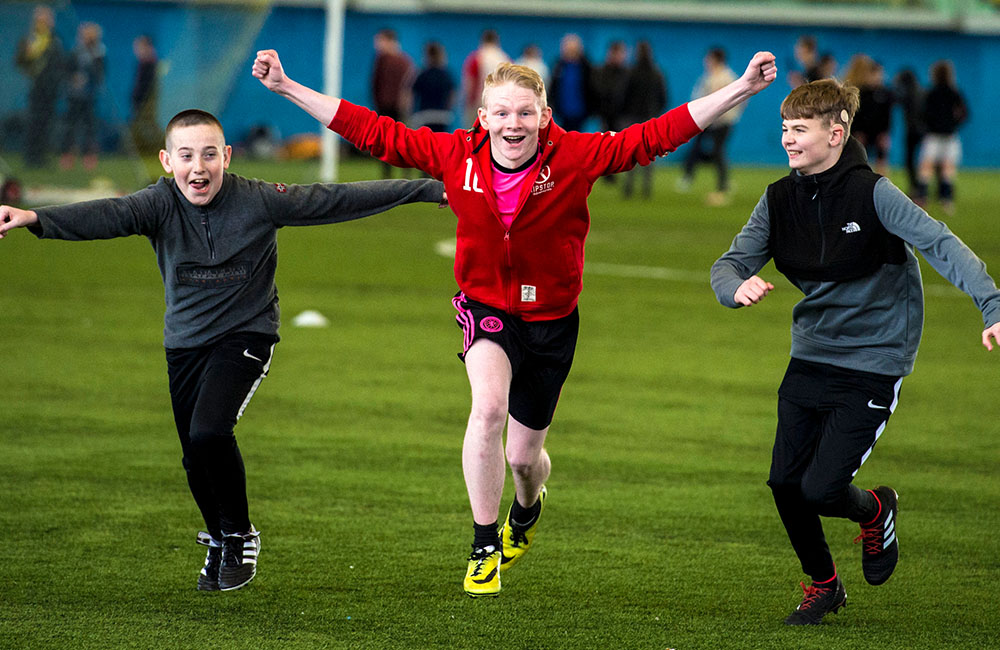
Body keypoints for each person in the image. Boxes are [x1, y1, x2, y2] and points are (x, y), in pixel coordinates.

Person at [253, 46, 778, 598]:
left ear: (544, 116)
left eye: (525, 112)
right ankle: (484, 546)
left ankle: (526, 510)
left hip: (553, 320)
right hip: (485, 307)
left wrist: (741, 88)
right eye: (501, 112)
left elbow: (657, 135)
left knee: (525, 459)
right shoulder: (456, 154)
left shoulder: (575, 156)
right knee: (488, 409)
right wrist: (287, 86)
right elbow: (372, 130)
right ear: (482, 117)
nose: (513, 123)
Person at [0, 109, 445, 593]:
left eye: (210, 154)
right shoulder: (158, 204)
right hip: (185, 345)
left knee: (210, 430)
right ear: (168, 161)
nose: (199, 167)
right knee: (194, 456)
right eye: (187, 156)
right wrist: (35, 218)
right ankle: (218, 536)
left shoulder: (258, 200)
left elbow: (335, 198)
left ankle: (239, 534)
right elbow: (107, 213)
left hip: (246, 336)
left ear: (226, 157)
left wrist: (424, 187)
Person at [710, 78, 1000, 626]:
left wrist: (993, 305)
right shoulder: (778, 198)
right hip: (812, 355)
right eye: (783, 130)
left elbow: (942, 243)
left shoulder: (875, 193)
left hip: (874, 361)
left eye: (800, 130)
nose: (788, 141)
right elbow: (728, 263)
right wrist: (735, 287)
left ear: (836, 134)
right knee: (784, 484)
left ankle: (875, 508)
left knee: (820, 488)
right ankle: (824, 585)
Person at [679, 46, 742, 206]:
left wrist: (728, 116)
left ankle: (722, 184)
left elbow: (734, 101)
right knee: (697, 147)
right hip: (707, 119)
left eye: (708, 58)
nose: (706, 61)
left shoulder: (726, 77)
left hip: (722, 121)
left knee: (718, 151)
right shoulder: (710, 76)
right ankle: (688, 176)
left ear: (715, 59)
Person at [915, 59, 968, 215]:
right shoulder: (954, 93)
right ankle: (946, 200)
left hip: (933, 135)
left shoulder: (931, 93)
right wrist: (953, 123)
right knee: (947, 168)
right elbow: (964, 113)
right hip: (949, 135)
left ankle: (923, 198)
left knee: (926, 167)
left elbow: (922, 114)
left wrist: (929, 125)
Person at [15, 5, 64, 167]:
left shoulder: (55, 39)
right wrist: (27, 54)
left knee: (46, 123)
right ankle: (31, 157)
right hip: (37, 89)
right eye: (43, 18)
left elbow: (60, 63)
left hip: (51, 90)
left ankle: (41, 156)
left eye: (49, 18)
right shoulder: (31, 39)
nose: (47, 22)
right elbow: (20, 62)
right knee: (34, 122)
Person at [621, 40, 668, 199]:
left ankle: (628, 188)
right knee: (649, 153)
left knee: (630, 153)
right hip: (650, 117)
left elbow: (623, 95)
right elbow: (663, 97)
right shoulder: (656, 73)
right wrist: (656, 113)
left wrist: (623, 112)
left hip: (631, 117)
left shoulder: (631, 72)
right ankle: (646, 189)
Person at [60, 22, 106, 171]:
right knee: (70, 126)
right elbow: (66, 71)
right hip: (74, 96)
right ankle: (67, 156)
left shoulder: (99, 53)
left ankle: (89, 157)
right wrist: (74, 79)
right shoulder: (75, 52)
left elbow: (100, 75)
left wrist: (88, 79)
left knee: (89, 128)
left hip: (89, 96)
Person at [371, 28, 416, 178]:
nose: (377, 44)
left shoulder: (384, 60)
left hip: (389, 106)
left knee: (389, 141)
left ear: (389, 41)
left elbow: (375, 84)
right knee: (398, 140)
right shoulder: (405, 60)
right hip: (396, 106)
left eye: (380, 40)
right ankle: (402, 172)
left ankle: (390, 173)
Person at [845, 55, 893, 176]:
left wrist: (885, 133)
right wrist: (857, 132)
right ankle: (859, 181)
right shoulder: (860, 93)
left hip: (879, 133)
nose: (878, 77)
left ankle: (883, 187)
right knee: (858, 159)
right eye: (875, 74)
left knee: (881, 159)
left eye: (880, 74)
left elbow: (887, 116)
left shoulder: (885, 94)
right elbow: (856, 115)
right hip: (862, 133)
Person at [460, 29, 509, 127]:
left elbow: (470, 83)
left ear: (482, 40)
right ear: (497, 40)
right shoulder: (505, 59)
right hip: (501, 104)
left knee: (473, 137)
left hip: (479, 103)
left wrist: (466, 103)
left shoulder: (476, 58)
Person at [548, 33, 594, 133]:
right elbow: (553, 87)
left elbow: (592, 88)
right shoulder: (559, 66)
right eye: (567, 48)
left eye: (573, 49)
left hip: (580, 110)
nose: (570, 52)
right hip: (563, 110)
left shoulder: (586, 66)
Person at [408, 41, 456, 133]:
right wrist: (448, 109)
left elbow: (411, 95)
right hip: (442, 116)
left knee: (424, 145)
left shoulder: (421, 74)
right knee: (441, 144)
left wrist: (410, 113)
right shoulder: (446, 75)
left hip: (424, 115)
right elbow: (452, 96)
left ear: (427, 56)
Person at [893, 68, 925, 199]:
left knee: (910, 161)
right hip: (924, 132)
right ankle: (923, 189)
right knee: (925, 162)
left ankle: (916, 187)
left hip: (912, 131)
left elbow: (895, 99)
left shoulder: (907, 93)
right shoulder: (922, 92)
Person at [130, 34, 162, 156]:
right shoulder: (142, 63)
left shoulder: (150, 62)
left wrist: (141, 99)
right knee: (144, 126)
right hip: (140, 100)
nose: (137, 49)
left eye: (139, 46)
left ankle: (161, 147)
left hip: (146, 101)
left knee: (149, 125)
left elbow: (146, 85)